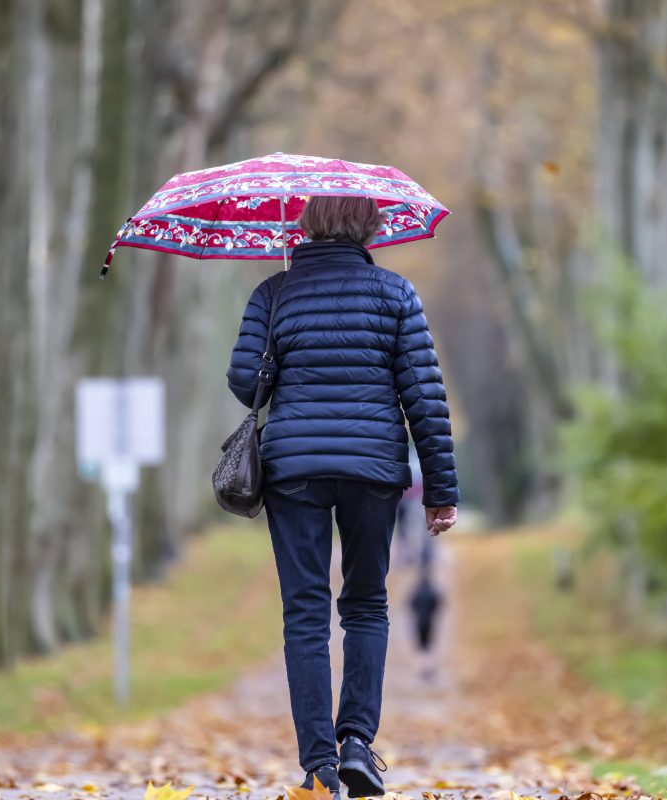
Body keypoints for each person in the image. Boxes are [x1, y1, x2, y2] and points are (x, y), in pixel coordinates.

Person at [227, 195, 459, 799]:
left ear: (304, 226)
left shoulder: (272, 293)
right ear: (369, 226)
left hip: (293, 471)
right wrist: (440, 489)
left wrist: (277, 333)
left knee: (304, 614)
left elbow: (243, 382)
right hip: (373, 471)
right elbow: (425, 398)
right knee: (365, 606)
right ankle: (357, 742)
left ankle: (318, 766)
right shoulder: (395, 293)